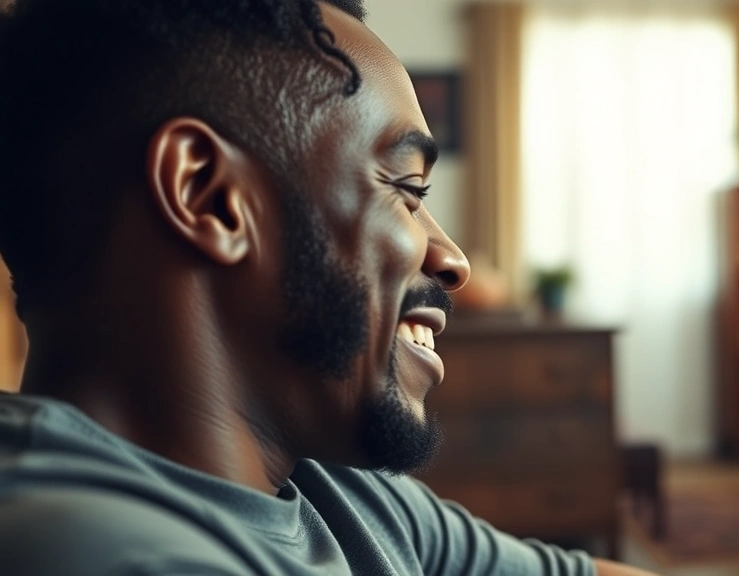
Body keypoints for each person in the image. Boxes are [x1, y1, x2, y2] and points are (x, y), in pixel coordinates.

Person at [0, 1, 656, 574]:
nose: (451, 258)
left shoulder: (341, 494)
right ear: (210, 198)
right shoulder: (95, 551)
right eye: (405, 189)